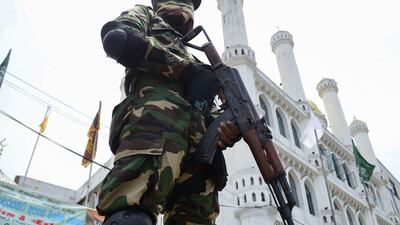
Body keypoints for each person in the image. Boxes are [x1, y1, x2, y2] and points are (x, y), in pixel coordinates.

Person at [96, 0, 240, 224]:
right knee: (132, 218)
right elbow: (118, 38)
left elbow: (210, 115)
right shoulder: (147, 17)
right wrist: (183, 70)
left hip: (199, 161)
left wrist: (227, 130)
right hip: (154, 133)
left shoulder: (199, 61)